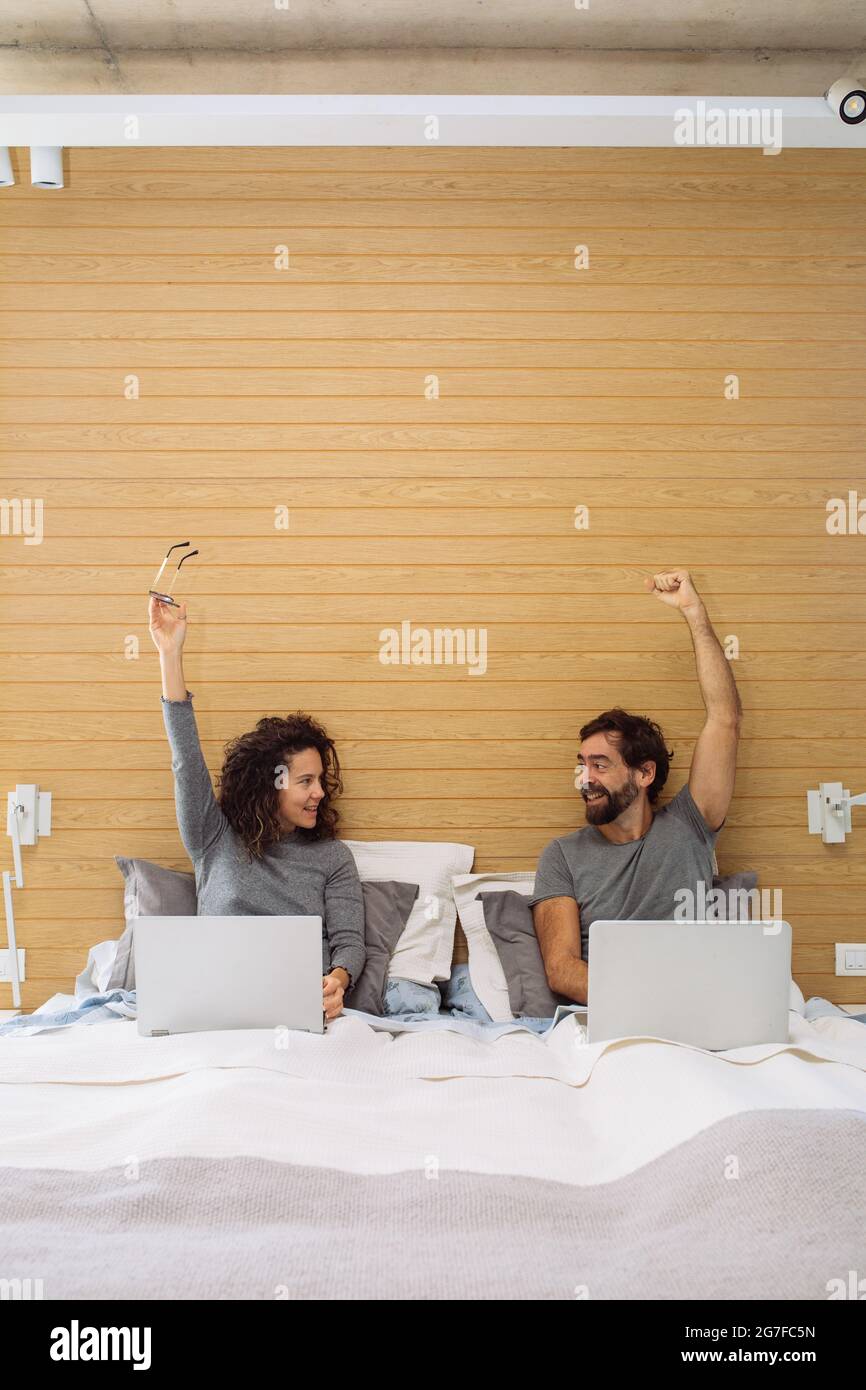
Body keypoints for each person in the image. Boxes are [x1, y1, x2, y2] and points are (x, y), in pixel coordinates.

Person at [529, 569, 742, 1006]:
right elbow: (562, 969)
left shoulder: (691, 824)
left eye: (600, 765)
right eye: (582, 765)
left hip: (702, 1009)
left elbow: (725, 718)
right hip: (618, 1012)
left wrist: (694, 613)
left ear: (644, 774)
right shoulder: (562, 856)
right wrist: (648, 1003)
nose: (585, 778)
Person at [148, 595, 365, 1022]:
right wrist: (170, 655)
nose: (320, 792)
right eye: (306, 781)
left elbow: (350, 944)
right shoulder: (213, 837)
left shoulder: (333, 858)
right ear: (273, 783)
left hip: (301, 1010)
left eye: (321, 780)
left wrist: (337, 981)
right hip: (211, 1008)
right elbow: (185, 763)